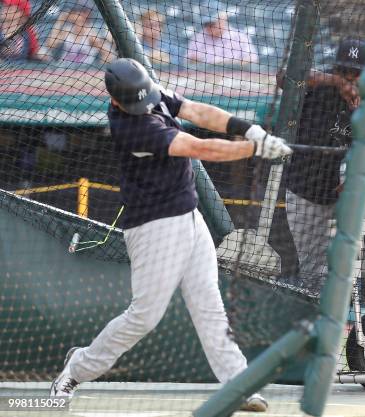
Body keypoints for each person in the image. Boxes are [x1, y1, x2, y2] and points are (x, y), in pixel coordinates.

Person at [49, 58, 292, 411]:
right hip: (154, 228)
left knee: (210, 307)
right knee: (144, 317)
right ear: (117, 101)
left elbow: (197, 110)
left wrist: (248, 129)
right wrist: (253, 149)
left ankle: (240, 384)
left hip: (189, 217)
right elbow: (199, 147)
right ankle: (77, 367)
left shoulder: (147, 93)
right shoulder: (132, 127)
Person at [282, 39, 365, 292]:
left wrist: (362, 176)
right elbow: (284, 77)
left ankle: (359, 323)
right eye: (342, 72)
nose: (349, 79)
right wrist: (337, 82)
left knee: (354, 269)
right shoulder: (317, 87)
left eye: (355, 73)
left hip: (349, 198)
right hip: (306, 191)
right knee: (313, 272)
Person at [40, 1, 114, 64]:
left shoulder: (90, 34)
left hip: (83, 73)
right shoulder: (67, 31)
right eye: (75, 11)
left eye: (78, 12)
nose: (73, 13)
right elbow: (50, 45)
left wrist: (97, 67)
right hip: (64, 71)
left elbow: (108, 55)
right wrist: (60, 21)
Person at [187, 8, 258, 66]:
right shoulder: (199, 37)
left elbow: (253, 58)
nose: (208, 27)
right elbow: (187, 60)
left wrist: (229, 63)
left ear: (222, 20)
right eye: (206, 24)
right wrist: (194, 59)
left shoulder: (239, 36)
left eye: (212, 24)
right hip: (204, 77)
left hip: (233, 76)